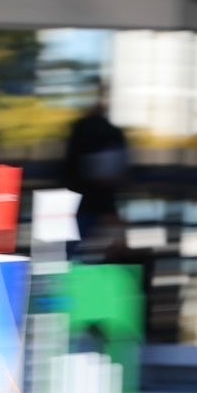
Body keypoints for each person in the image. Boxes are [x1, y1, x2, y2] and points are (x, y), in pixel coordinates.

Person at [60, 81, 130, 259]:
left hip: (79, 207)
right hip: (93, 209)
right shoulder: (109, 133)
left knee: (75, 260)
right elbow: (110, 177)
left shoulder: (83, 129)